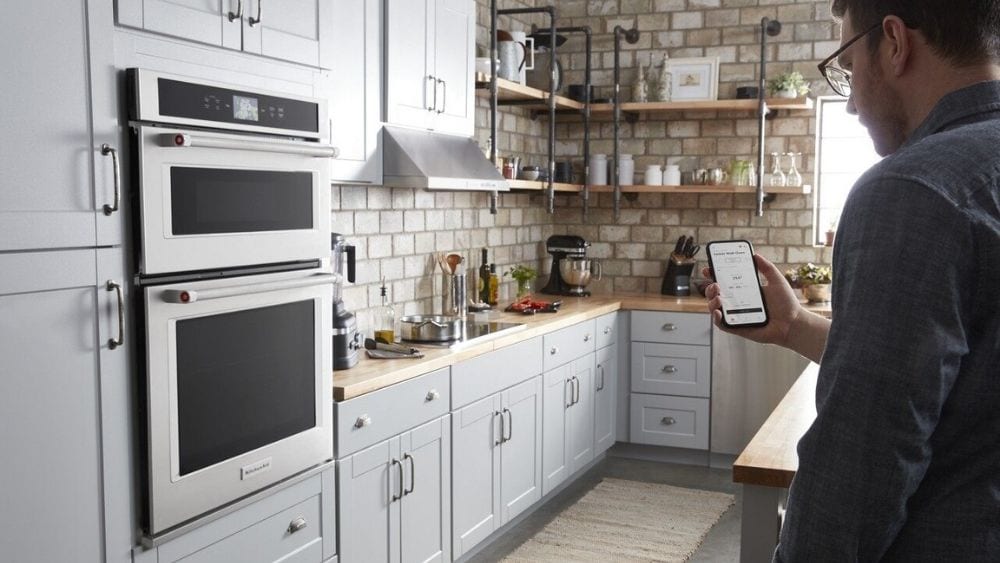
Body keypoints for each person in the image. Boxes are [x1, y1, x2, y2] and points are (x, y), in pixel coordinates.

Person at [704, 0, 1000, 560]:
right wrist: (794, 325)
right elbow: (959, 378)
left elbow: (862, 462)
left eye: (843, 64)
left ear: (893, 43)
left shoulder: (910, 190)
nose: (849, 104)